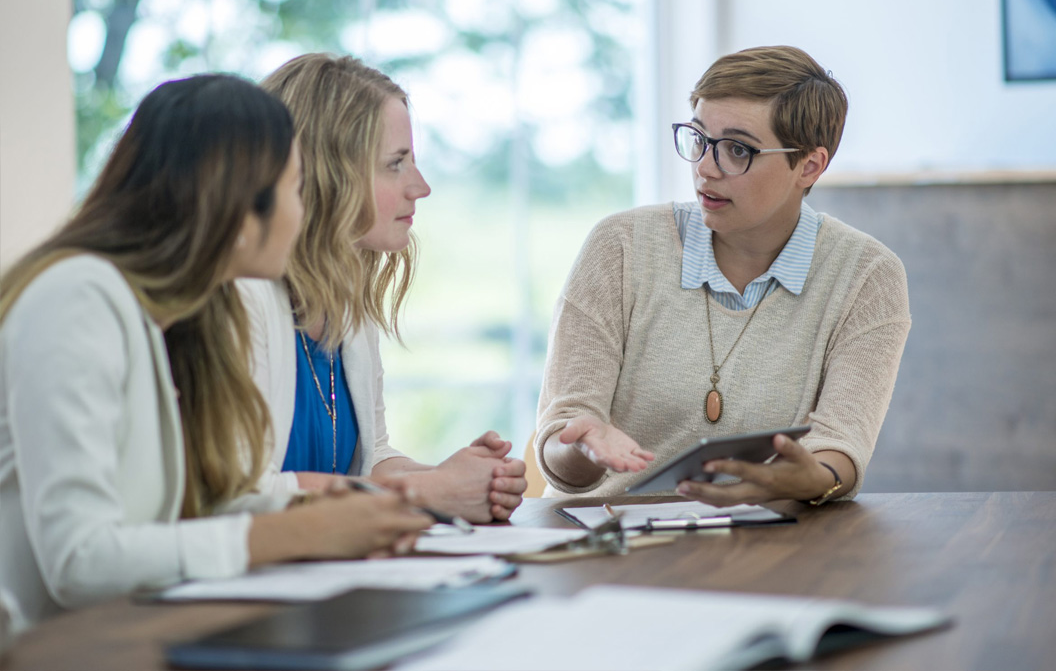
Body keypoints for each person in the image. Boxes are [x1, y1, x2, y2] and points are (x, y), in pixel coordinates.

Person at [0, 75, 431, 631]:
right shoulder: (78, 298)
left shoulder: (167, 316)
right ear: (235, 204)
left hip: (119, 637)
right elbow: (80, 563)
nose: (306, 216)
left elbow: (202, 509)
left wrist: (349, 512)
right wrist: (293, 531)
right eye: (295, 191)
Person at [535, 46, 910, 505]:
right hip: (609, 541)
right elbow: (559, 444)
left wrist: (810, 478)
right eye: (698, 138)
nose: (705, 168)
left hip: (766, 547)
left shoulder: (867, 275)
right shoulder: (621, 246)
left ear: (809, 165)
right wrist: (585, 444)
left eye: (737, 150)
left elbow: (841, 447)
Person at [240, 53, 527, 523]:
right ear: (326, 176)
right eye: (396, 164)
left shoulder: (346, 295)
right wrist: (426, 491)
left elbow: (369, 458)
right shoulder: (240, 300)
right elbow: (242, 491)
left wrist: (463, 480)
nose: (421, 186)